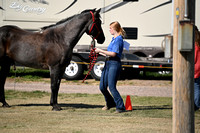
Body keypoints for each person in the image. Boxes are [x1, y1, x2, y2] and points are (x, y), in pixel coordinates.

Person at [95, 21, 126, 113]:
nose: (109, 30)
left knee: (112, 86)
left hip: (114, 64)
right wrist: (98, 52)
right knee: (102, 87)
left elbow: (113, 54)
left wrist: (101, 50)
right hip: (108, 63)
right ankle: (110, 103)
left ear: (115, 29)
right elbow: (108, 54)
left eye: (110, 28)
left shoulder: (119, 39)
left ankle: (120, 106)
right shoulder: (113, 39)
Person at [194, 25, 200, 111]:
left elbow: (194, 58)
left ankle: (197, 104)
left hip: (195, 68)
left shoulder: (194, 45)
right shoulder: (198, 42)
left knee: (196, 88)